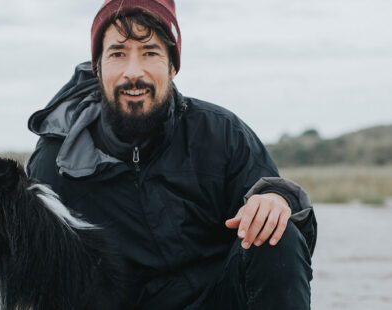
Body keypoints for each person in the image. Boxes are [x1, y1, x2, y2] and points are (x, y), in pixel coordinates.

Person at [27, 1, 317, 309]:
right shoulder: (54, 162)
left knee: (274, 229)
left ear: (172, 65)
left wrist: (277, 199)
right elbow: (31, 273)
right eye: (117, 54)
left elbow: (287, 242)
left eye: (150, 52)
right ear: (97, 67)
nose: (133, 72)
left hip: (217, 300)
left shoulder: (221, 133)